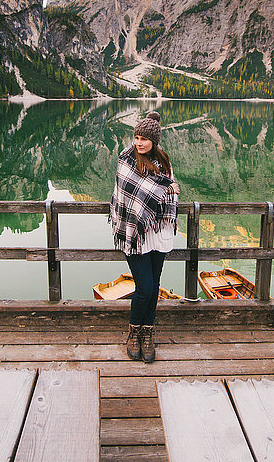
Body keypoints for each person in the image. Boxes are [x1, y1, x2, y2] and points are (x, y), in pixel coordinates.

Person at [109, 111, 179, 363]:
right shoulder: (127, 159)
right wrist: (166, 189)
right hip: (135, 233)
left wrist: (168, 189)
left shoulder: (164, 161)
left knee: (154, 287)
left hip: (158, 232)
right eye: (136, 137)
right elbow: (130, 191)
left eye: (145, 138)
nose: (139, 142)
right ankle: (133, 332)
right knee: (144, 288)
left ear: (155, 141)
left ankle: (147, 334)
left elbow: (169, 188)